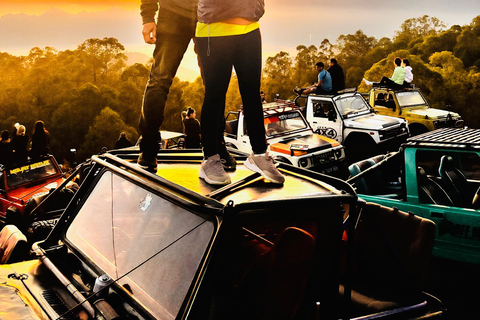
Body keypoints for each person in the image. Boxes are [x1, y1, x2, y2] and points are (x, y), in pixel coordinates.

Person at [196, 0, 285, 185]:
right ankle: (210, 159)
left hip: (249, 30)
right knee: (215, 96)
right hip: (214, 31)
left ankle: (259, 154)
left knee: (252, 95)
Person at [137, 0, 198, 172]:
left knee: (159, 80)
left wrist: (148, 16)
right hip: (196, 12)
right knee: (213, 81)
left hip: (205, 13)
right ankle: (216, 148)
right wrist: (147, 15)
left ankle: (148, 151)